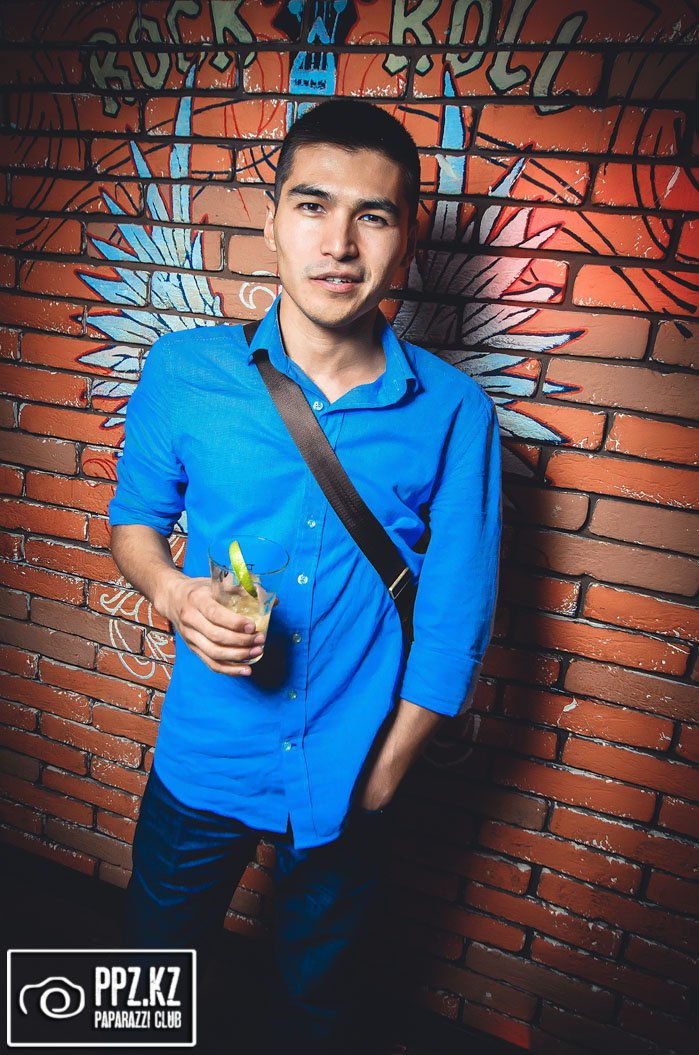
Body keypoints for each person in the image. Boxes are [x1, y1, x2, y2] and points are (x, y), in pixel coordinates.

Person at [109, 99, 502, 1055]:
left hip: (349, 769)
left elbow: (454, 622)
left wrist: (386, 770)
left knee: (323, 1006)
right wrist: (174, 591)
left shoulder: (455, 412)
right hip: (204, 752)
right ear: (272, 219)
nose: (338, 243)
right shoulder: (183, 370)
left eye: (373, 215)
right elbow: (134, 524)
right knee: (147, 987)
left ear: (406, 241)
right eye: (312, 205)